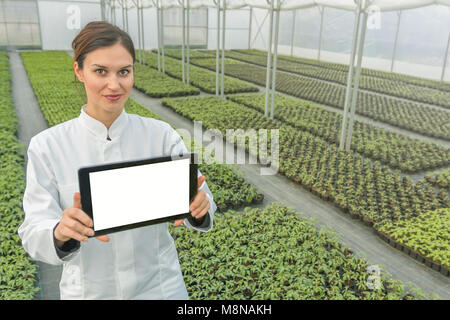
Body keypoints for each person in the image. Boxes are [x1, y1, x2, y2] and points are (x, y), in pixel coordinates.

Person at [18, 21, 216, 299]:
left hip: (161, 287)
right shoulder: (48, 146)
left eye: (124, 71)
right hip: (90, 291)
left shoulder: (160, 135)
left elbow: (201, 199)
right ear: (79, 71)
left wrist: (199, 206)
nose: (115, 84)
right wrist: (60, 231)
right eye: (100, 71)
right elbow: (33, 230)